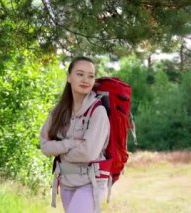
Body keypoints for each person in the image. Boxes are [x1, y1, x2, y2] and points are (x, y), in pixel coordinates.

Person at [40, 56, 110, 213]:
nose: (86, 79)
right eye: (80, 74)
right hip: (66, 181)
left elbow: (88, 153)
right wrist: (70, 144)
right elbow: (45, 147)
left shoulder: (98, 111)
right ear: (69, 77)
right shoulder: (58, 111)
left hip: (91, 181)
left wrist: (59, 151)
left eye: (91, 76)